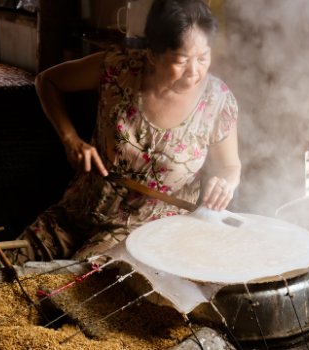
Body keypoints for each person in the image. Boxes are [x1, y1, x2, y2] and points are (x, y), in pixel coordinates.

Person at [16, 0, 241, 262]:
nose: (194, 72)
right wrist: (70, 138)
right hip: (77, 211)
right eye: (181, 60)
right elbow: (47, 81)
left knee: (70, 285)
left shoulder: (218, 101)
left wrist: (224, 184)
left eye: (203, 58)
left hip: (142, 234)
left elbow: (230, 167)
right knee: (6, 264)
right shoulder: (119, 68)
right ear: (152, 54)